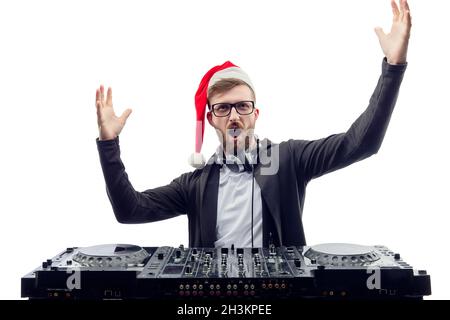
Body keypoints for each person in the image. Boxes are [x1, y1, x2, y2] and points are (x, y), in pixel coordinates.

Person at [95, 0, 412, 248]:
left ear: (255, 114)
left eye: (242, 106)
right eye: (222, 108)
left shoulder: (289, 160)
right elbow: (130, 211)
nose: (233, 116)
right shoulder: (194, 184)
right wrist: (109, 144)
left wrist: (393, 68)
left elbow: (361, 143)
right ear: (211, 119)